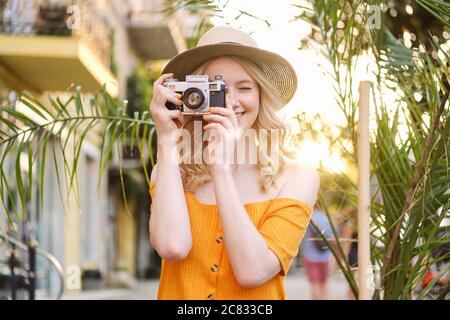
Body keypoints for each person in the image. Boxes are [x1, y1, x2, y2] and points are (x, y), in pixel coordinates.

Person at [148, 26, 320, 300]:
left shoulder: (297, 177)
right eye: (217, 89)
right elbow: (172, 247)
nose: (231, 102)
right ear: (193, 96)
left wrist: (221, 169)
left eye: (245, 87)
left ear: (262, 96)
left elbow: (253, 271)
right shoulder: (170, 169)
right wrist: (167, 140)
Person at [301, 205, 333, 300]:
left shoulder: (308, 217)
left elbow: (302, 238)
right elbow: (331, 237)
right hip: (325, 255)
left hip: (310, 256)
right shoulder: (325, 218)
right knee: (324, 283)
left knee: (314, 285)